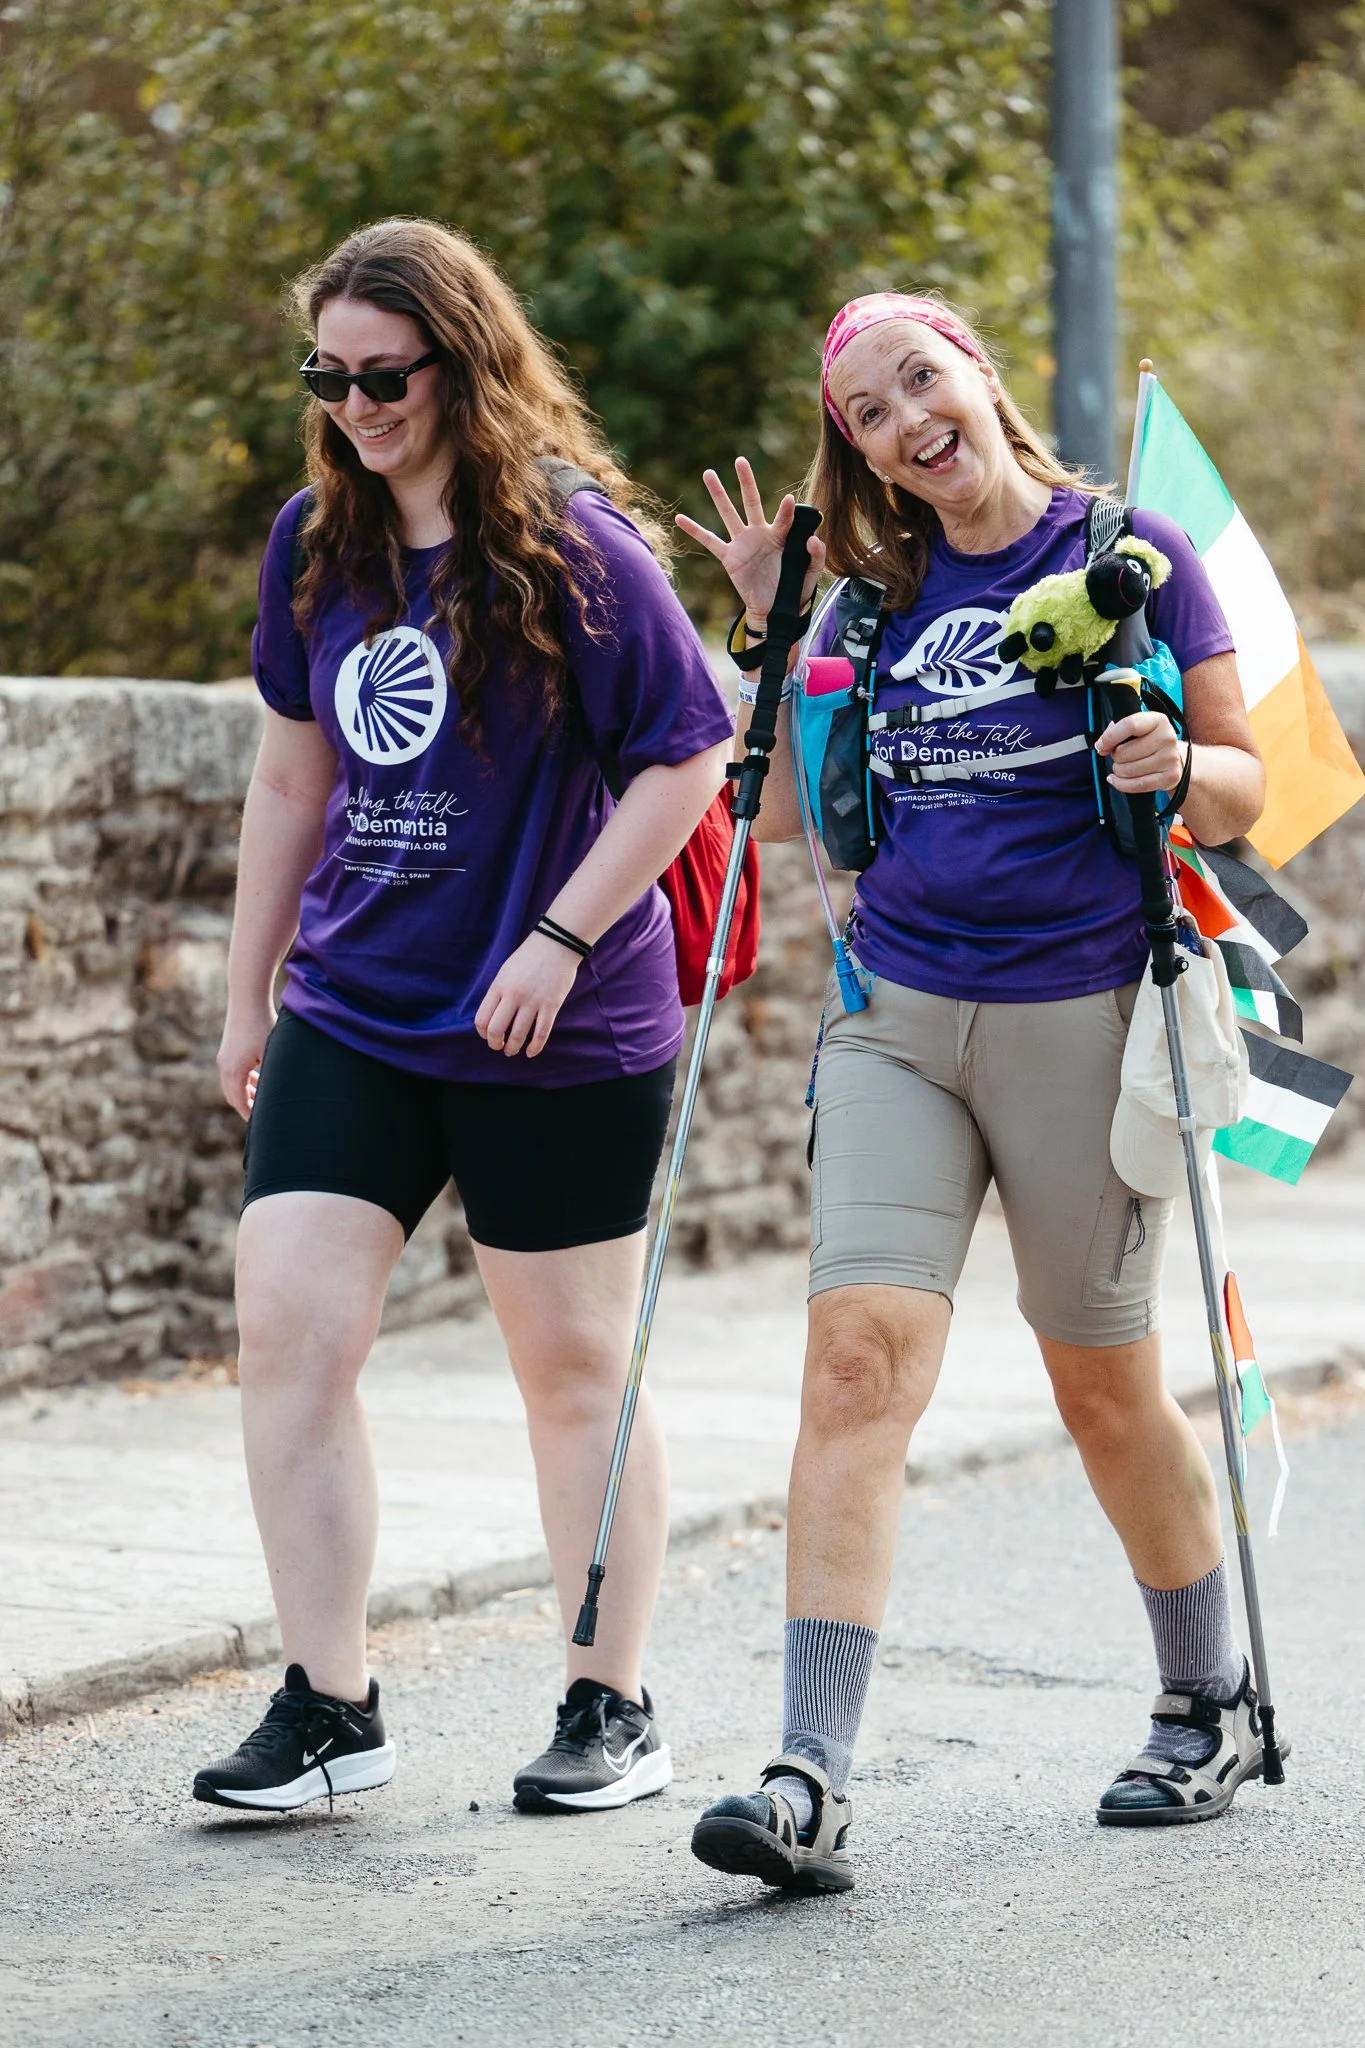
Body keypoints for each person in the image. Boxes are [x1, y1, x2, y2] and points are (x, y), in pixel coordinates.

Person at [679, 292, 1269, 1893]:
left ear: (977, 373)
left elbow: (1246, 777)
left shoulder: (1126, 548)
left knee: (1101, 1384)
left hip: (1082, 1009)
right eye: (868, 412)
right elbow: (792, 826)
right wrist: (773, 635)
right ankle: (810, 1774)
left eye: (918, 380)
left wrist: (1174, 767)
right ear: (857, 446)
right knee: (857, 1366)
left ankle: (1205, 1696)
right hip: (897, 1017)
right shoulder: (867, 605)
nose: (904, 422)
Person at [192, 218, 734, 1817]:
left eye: (388, 375)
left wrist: (563, 935)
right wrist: (250, 994)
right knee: (287, 1324)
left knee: (571, 1365)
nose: (359, 406)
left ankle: (607, 1698)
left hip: (549, 1021)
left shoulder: (578, 548)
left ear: (463, 363)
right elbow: (292, 776)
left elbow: (686, 758)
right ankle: (331, 1705)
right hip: (357, 1005)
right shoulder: (315, 545)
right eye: (331, 377)